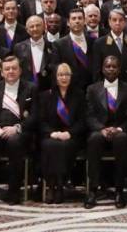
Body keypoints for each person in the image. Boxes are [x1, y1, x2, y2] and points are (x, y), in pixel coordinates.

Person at [0, 55, 36, 206]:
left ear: (20, 70)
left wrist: (17, 128)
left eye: (14, 68)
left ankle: (14, 192)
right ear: (2, 72)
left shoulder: (31, 88)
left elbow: (35, 116)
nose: (11, 71)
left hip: (20, 131)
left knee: (14, 142)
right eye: (7, 69)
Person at [85, 54, 127, 208]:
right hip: (100, 130)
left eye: (114, 66)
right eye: (108, 66)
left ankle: (119, 190)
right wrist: (101, 129)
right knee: (94, 139)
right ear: (102, 69)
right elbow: (89, 115)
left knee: (122, 139)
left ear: (119, 69)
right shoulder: (92, 89)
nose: (111, 69)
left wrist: (119, 129)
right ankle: (93, 190)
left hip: (119, 130)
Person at [38, 62, 87, 203]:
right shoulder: (46, 95)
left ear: (71, 77)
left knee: (63, 146)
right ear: (55, 77)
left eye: (66, 74)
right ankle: (51, 186)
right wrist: (51, 133)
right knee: (50, 145)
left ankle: (59, 185)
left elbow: (82, 121)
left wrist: (70, 133)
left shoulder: (79, 95)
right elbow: (41, 121)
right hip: (51, 135)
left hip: (71, 136)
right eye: (60, 75)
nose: (64, 78)